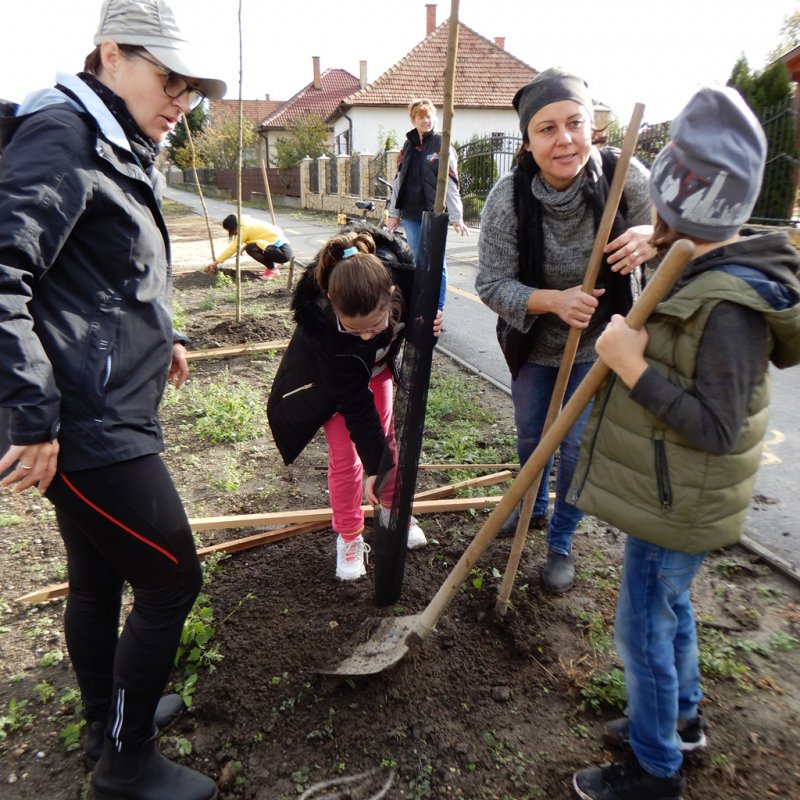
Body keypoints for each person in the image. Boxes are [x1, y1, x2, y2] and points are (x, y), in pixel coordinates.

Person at [0, 1, 226, 798]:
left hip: (99, 405)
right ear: (111, 53)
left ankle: (107, 723)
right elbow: (5, 271)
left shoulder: (113, 138)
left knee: (96, 579)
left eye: (192, 89)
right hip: (86, 424)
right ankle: (127, 767)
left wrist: (163, 334)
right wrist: (32, 415)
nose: (182, 102)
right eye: (171, 80)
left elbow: (104, 268)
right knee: (171, 580)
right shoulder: (64, 134)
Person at [570, 86, 800, 800]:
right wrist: (665, 244)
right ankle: (682, 720)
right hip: (673, 494)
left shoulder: (730, 303)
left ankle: (655, 768)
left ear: (678, 201)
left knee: (643, 627)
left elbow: (717, 428)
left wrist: (631, 367)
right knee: (667, 611)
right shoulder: (702, 261)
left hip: (682, 500)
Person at [475, 67, 655, 593]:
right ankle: (530, 505)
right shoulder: (508, 199)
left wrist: (654, 236)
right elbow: (491, 284)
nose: (564, 139)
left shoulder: (625, 178)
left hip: (601, 345)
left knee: (576, 447)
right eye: (547, 128)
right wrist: (554, 301)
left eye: (574, 123)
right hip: (534, 345)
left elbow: (677, 240)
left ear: (591, 126)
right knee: (534, 439)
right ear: (528, 142)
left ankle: (560, 542)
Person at [267, 226, 442, 580]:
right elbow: (355, 404)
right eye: (354, 329)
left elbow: (415, 336)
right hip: (334, 386)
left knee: (387, 439)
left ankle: (392, 508)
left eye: (374, 326)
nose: (364, 336)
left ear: (391, 296)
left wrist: (426, 330)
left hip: (378, 372)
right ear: (332, 301)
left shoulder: (409, 289)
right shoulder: (323, 328)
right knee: (347, 459)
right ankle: (349, 535)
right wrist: (374, 467)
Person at [387, 98, 469, 310]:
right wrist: (393, 214)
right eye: (421, 117)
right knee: (418, 261)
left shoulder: (442, 144)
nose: (426, 120)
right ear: (413, 119)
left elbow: (450, 182)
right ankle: (421, 306)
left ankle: (437, 309)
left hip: (434, 214)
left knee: (436, 261)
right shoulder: (408, 146)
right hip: (411, 213)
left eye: (429, 116)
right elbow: (399, 182)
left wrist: (457, 216)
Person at [205, 213, 293, 281]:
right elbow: (258, 237)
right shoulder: (244, 222)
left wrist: (215, 262)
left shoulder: (244, 228)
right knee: (250, 247)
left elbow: (233, 247)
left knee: (251, 248)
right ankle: (271, 268)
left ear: (233, 226)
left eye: (229, 230)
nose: (230, 233)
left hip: (282, 252)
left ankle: (273, 269)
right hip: (278, 246)